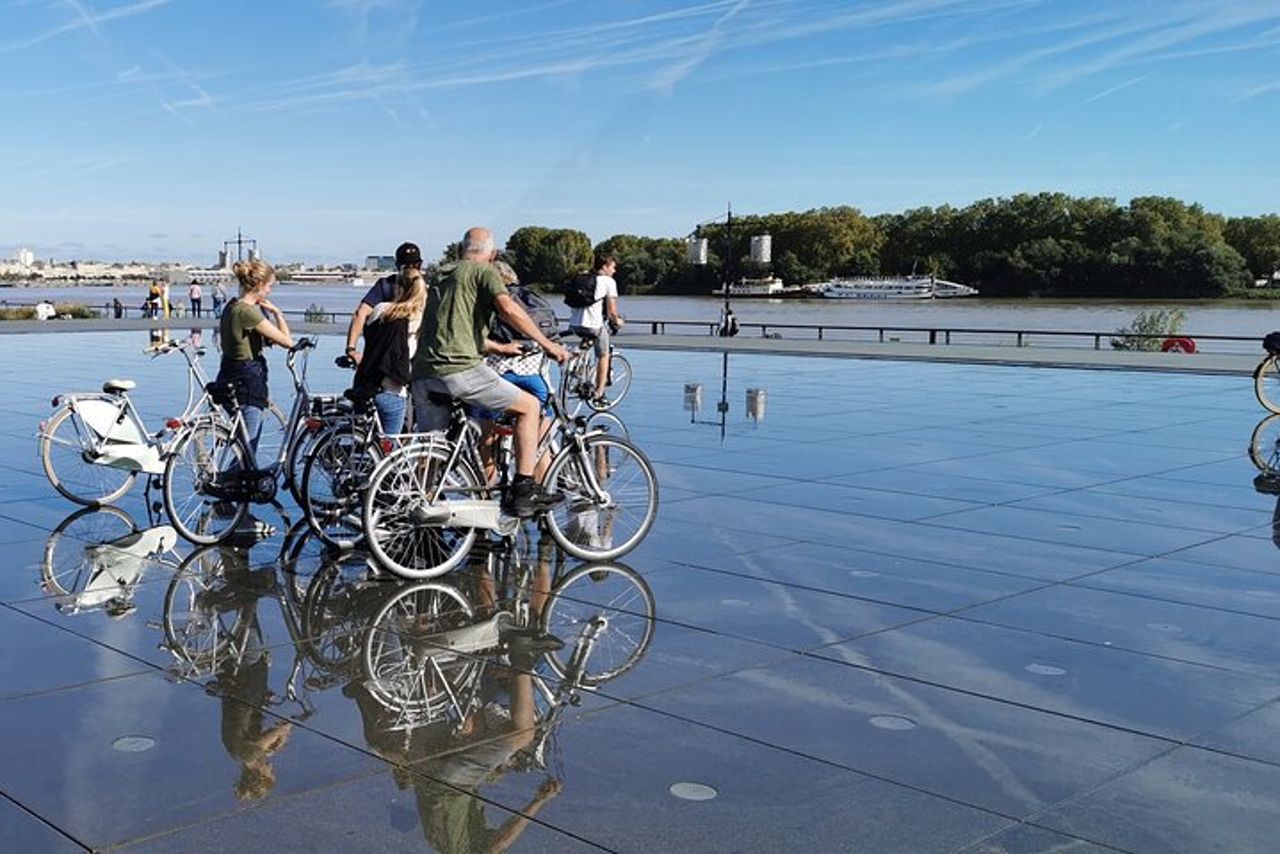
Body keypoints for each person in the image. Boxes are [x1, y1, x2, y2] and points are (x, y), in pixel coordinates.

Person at [411, 227, 568, 518]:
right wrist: (547, 344)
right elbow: (509, 309)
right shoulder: (485, 272)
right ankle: (523, 492)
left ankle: (418, 509)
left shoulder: (440, 276)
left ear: (461, 249)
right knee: (529, 407)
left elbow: (452, 332)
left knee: (431, 451)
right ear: (492, 254)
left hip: (422, 374)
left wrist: (498, 348)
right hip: (458, 370)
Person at [477, 260, 556, 481]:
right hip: (533, 378)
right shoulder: (532, 298)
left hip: (498, 377)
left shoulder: (486, 302)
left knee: (488, 438)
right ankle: (538, 494)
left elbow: (475, 340)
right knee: (539, 442)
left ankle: (486, 493)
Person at [217, 258, 294, 465]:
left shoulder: (231, 306)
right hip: (247, 379)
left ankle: (229, 488)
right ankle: (230, 485)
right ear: (259, 285)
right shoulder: (248, 312)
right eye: (269, 286)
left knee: (239, 440)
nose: (270, 292)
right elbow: (287, 341)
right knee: (248, 447)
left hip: (227, 372)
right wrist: (277, 313)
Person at [352, 266, 425, 433]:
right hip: (393, 390)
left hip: (366, 386)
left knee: (363, 443)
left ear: (398, 287)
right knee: (389, 451)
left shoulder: (379, 309)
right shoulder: (418, 319)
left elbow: (365, 324)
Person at [345, 241, 422, 366]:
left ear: (397, 265)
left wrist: (351, 349)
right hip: (416, 360)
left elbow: (361, 313)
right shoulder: (427, 288)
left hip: (381, 358)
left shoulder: (385, 285)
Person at [568, 253, 625, 404]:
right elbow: (612, 312)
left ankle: (577, 368)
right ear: (605, 266)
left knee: (587, 339)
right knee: (603, 355)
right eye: (613, 267)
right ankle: (599, 393)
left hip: (574, 324)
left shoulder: (582, 277)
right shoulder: (608, 281)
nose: (615, 271)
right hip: (593, 326)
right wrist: (618, 321)